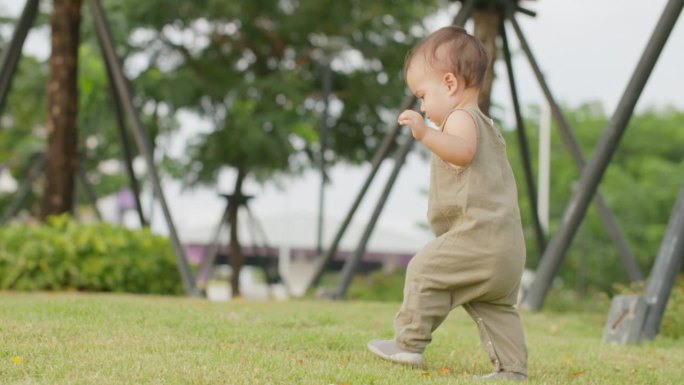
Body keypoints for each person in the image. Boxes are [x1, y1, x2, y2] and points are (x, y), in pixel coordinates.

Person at [367, 26, 528, 381]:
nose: (422, 105)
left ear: (450, 84)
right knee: (495, 307)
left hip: (477, 238)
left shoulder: (461, 119)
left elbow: (461, 154)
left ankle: (409, 343)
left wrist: (425, 133)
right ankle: (512, 370)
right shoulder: (487, 124)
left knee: (424, 268)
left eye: (423, 95)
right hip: (506, 248)